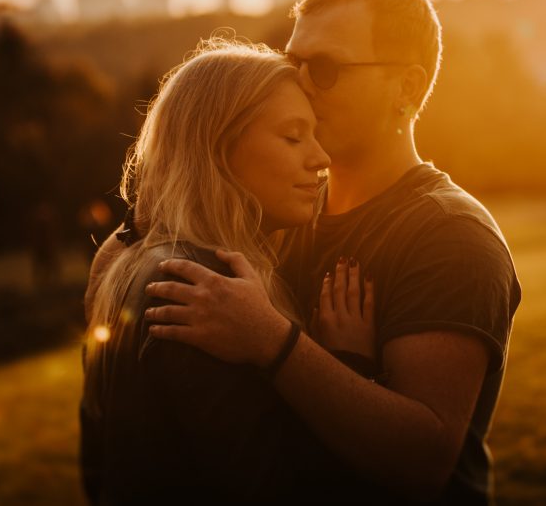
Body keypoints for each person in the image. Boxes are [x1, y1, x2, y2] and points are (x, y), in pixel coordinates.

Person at [144, 0, 522, 504]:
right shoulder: (287, 204)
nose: (297, 84)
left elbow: (424, 459)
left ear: (407, 89)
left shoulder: (449, 235)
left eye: (323, 69)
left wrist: (271, 340)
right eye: (290, 63)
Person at [79, 39, 382, 503]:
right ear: (217, 148)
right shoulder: (201, 291)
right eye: (293, 136)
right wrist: (349, 366)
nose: (320, 159)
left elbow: (97, 467)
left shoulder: (146, 262)